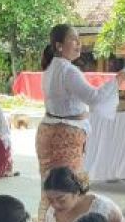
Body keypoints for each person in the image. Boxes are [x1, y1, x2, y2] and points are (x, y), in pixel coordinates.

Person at [36, 25, 120, 181]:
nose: (79, 44)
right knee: (69, 191)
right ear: (59, 46)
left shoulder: (51, 68)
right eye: (73, 40)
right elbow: (95, 98)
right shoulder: (68, 70)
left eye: (79, 40)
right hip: (64, 136)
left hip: (48, 131)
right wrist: (117, 80)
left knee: (52, 190)